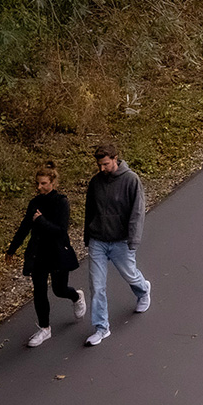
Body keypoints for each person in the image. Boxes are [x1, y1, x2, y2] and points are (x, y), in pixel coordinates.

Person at [3, 165, 83, 347]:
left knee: (59, 289)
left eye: (43, 183)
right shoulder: (35, 203)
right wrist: (12, 249)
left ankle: (76, 297)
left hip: (57, 252)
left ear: (53, 183)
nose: (39, 187)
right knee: (39, 290)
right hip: (38, 253)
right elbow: (25, 227)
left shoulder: (61, 202)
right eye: (37, 183)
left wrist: (41, 221)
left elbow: (61, 231)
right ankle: (44, 329)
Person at [81, 145, 151, 346]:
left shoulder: (131, 180)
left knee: (130, 274)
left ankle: (143, 290)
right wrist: (88, 236)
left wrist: (133, 239)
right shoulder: (96, 183)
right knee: (97, 286)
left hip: (121, 241)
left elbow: (137, 212)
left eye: (106, 164)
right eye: (99, 165)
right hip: (98, 241)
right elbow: (89, 210)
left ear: (115, 159)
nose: (102, 168)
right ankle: (102, 328)